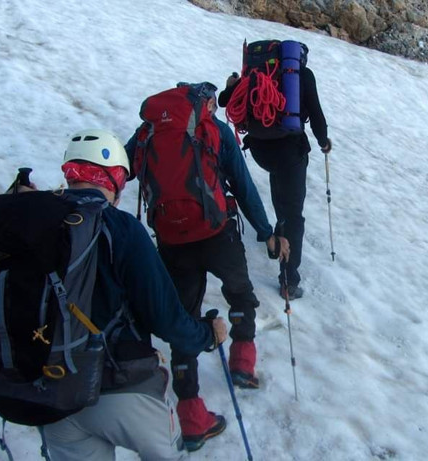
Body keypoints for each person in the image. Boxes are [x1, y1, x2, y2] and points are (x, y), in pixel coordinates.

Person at [32, 129, 229, 460]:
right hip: (122, 388)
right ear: (115, 180)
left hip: (51, 395)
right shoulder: (121, 228)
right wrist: (206, 335)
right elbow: (165, 317)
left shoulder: (33, 223)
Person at [124, 82, 290, 452]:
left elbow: (121, 168)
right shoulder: (213, 131)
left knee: (184, 321)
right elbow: (243, 186)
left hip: (171, 240)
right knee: (240, 295)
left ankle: (193, 419)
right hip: (217, 233)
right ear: (205, 104)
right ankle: (242, 364)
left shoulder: (148, 133)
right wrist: (266, 232)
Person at [219, 43, 331, 299]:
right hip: (289, 152)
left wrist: (230, 85)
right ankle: (289, 280)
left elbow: (225, 101)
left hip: (260, 150)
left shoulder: (254, 75)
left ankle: (277, 240)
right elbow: (316, 116)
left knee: (281, 200)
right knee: (293, 216)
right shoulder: (302, 74)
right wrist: (324, 142)